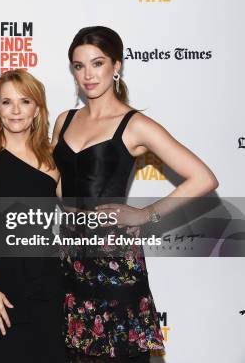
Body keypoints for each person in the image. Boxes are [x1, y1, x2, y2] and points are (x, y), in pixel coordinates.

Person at [51, 26, 219, 361]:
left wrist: (145, 214)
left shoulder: (135, 124)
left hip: (115, 262)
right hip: (71, 257)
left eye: (97, 63)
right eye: (79, 66)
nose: (87, 74)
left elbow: (203, 178)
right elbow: (57, 186)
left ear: (116, 66)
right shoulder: (63, 121)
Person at [0, 69, 66, 362]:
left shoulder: (53, 161)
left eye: (25, 101)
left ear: (37, 109)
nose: (16, 110)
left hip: (45, 288)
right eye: (7, 102)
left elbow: (74, 220)